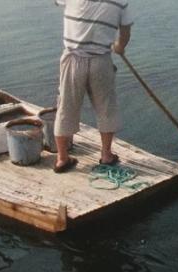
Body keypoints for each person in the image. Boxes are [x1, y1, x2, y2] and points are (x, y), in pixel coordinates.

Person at [52, 0, 133, 173]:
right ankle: (106, 155)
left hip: (72, 59)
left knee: (66, 107)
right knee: (106, 108)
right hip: (101, 61)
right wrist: (119, 46)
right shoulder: (121, 2)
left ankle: (62, 158)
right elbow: (125, 32)